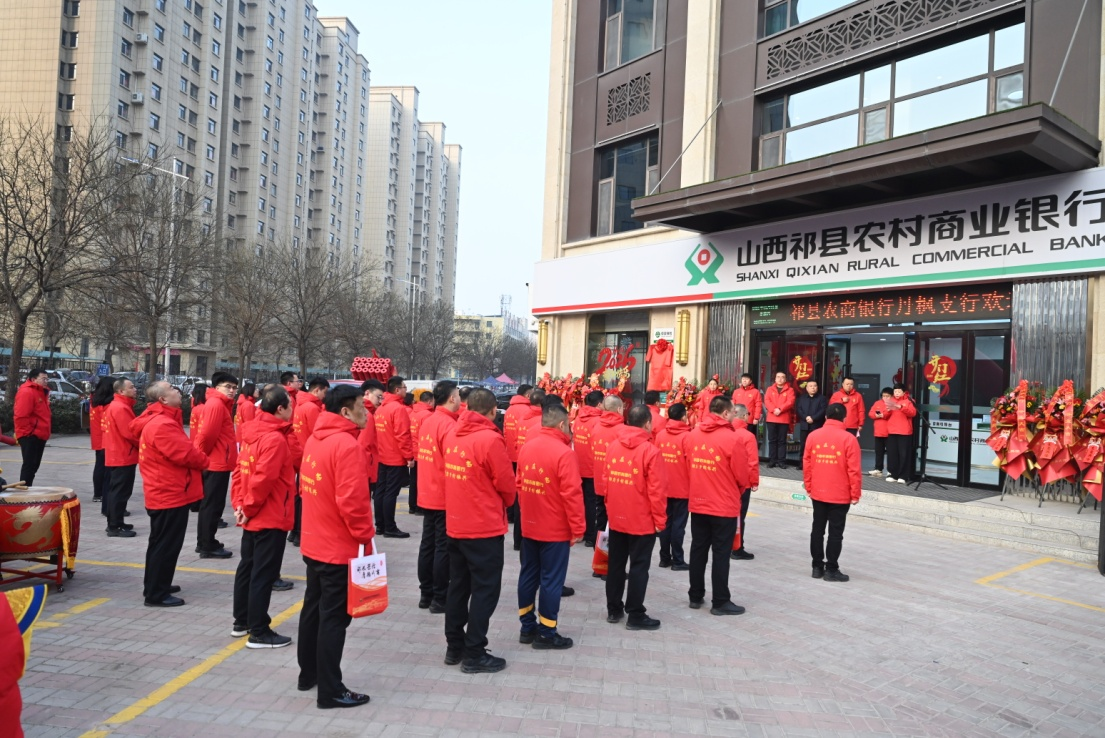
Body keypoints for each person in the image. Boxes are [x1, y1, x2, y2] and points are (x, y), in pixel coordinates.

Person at [297, 384, 374, 709]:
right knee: (333, 618)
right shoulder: (346, 445)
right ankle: (330, 690)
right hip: (336, 546)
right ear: (345, 411)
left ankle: (309, 674)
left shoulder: (317, 439)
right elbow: (353, 503)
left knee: (313, 609)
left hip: (315, 540)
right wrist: (365, 536)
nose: (366, 412)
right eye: (361, 406)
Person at [442, 388, 516, 674]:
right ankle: (474, 652)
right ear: (493, 410)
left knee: (458, 586)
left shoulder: (452, 433)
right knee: (485, 590)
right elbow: (506, 485)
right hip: (483, 526)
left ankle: (454, 646)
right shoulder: (490, 439)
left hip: (457, 523)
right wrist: (506, 504)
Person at [230, 384, 299, 649]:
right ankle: (259, 631)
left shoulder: (253, 432)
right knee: (262, 573)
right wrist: (246, 508)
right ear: (280, 409)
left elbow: (239, 472)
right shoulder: (274, 439)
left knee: (248, 567)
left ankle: (242, 621)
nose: (293, 410)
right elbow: (263, 479)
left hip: (252, 512)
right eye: (290, 405)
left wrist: (240, 505)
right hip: (267, 514)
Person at [133, 382, 210, 607]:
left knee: (161, 542)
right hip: (169, 492)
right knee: (166, 545)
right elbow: (185, 454)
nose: (177, 391)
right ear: (163, 399)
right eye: (172, 389)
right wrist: (205, 460)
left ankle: (157, 584)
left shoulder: (162, 420)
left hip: (166, 490)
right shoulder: (162, 424)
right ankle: (156, 593)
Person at [515, 401, 584, 649]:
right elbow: (572, 494)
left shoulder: (527, 447)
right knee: (551, 580)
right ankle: (546, 631)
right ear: (562, 424)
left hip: (530, 523)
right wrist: (578, 528)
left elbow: (520, 485)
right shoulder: (565, 453)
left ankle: (527, 627)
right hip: (554, 528)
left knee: (528, 575)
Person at [599, 405, 666, 630]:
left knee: (616, 564)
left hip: (617, 516)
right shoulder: (650, 451)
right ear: (647, 423)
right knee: (639, 567)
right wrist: (660, 521)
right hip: (642, 520)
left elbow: (606, 482)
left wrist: (610, 509)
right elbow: (657, 491)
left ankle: (613, 609)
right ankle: (635, 614)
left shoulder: (613, 446)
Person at [686, 395, 749, 616]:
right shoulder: (733, 439)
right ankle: (720, 601)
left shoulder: (693, 435)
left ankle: (695, 595)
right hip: (723, 505)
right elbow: (742, 476)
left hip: (699, 501)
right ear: (725, 413)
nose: (734, 416)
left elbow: (688, 466)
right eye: (733, 412)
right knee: (721, 553)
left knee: (698, 549)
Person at [803, 403, 862, 582]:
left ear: (826, 417)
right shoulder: (849, 439)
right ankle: (831, 569)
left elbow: (807, 464)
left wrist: (809, 486)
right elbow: (854, 470)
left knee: (817, 529)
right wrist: (855, 493)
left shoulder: (813, 436)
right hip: (840, 493)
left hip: (818, 491)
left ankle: (816, 567)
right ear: (845, 418)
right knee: (835, 533)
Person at [415, 380, 460, 613]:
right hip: (443, 493)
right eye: (458, 395)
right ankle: (440, 597)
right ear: (452, 398)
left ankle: (426, 594)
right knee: (442, 547)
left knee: (428, 544)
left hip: (427, 490)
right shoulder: (449, 425)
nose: (460, 399)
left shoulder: (429, 421)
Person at [193, 372, 239, 559]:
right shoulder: (216, 404)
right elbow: (207, 435)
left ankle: (205, 542)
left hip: (218, 461)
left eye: (234, 388)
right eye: (228, 386)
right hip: (215, 463)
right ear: (216, 387)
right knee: (212, 506)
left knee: (211, 505)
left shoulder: (220, 404)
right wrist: (203, 457)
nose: (232, 391)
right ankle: (207, 544)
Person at [289, 377, 329, 548]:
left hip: (303, 454)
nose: (325, 396)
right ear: (317, 390)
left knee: (299, 495)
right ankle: (300, 532)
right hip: (310, 456)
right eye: (324, 392)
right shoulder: (312, 408)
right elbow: (317, 433)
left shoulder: (300, 404)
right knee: (305, 497)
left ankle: (294, 531)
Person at [374, 375, 414, 538]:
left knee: (381, 491)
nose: (406, 390)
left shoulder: (381, 408)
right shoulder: (398, 409)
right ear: (397, 390)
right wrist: (409, 456)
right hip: (395, 457)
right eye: (404, 387)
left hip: (383, 455)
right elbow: (402, 435)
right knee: (391, 493)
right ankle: (390, 527)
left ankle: (380, 525)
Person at [103, 377, 140, 538]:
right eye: (131, 387)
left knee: (118, 491)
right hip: (123, 454)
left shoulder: (119, 405)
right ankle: (114, 526)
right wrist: (144, 444)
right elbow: (130, 433)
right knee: (120, 492)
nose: (135, 389)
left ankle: (116, 522)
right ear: (121, 391)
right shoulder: (120, 407)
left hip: (120, 453)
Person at [656, 402, 691, 570]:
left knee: (666, 523)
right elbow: (691, 463)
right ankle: (677, 560)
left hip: (663, 487)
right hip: (682, 488)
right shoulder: (687, 437)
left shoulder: (660, 435)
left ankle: (664, 558)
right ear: (683, 417)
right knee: (678, 525)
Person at [590, 394, 626, 543]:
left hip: (598, 480)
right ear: (619, 409)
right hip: (616, 482)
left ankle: (598, 549)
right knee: (616, 520)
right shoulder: (623, 430)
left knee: (600, 516)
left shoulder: (596, 427)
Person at [572, 390, 604, 547]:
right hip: (592, 466)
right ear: (599, 404)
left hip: (579, 464)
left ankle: (582, 531)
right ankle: (591, 536)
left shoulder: (579, 418)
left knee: (583, 500)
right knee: (592, 502)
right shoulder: (598, 421)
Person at [729, 403, 760, 561]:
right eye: (748, 414)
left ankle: (726, 545)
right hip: (743, 482)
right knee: (740, 516)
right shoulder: (748, 436)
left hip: (726, 481)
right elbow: (752, 462)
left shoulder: (726, 432)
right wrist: (754, 481)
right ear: (743, 416)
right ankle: (737, 548)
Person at [13, 369, 51, 486]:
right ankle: (24, 488)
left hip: (39, 434)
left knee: (34, 465)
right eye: (43, 379)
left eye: (47, 379)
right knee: (29, 465)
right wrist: (28, 433)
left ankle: (27, 487)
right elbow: (21, 415)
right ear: (34, 379)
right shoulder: (27, 392)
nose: (46, 381)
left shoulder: (41, 392)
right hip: (30, 434)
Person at [89, 377, 115, 507]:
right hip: (105, 438)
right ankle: (100, 493)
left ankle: (97, 493)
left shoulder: (95, 401)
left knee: (99, 465)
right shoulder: (106, 404)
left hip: (98, 438)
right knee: (104, 467)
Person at [408, 391, 435, 515]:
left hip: (413, 451)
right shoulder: (427, 415)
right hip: (423, 452)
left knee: (413, 480)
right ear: (429, 401)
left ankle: (412, 506)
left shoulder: (412, 413)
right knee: (422, 481)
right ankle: (419, 507)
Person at [885, 383, 917, 484]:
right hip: (892, 430)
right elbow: (885, 415)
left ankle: (903, 476)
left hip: (904, 431)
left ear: (904, 392)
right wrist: (887, 411)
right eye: (895, 391)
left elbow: (913, 413)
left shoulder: (909, 401)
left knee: (904, 454)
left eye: (899, 391)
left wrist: (901, 407)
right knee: (892, 454)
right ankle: (893, 474)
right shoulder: (891, 401)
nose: (897, 393)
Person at [357, 379, 384, 498]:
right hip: (364, 469)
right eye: (379, 397)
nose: (380, 401)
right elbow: (364, 445)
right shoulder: (367, 415)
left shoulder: (359, 410)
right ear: (367, 393)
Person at [763, 371, 795, 468]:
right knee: (772, 440)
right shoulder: (769, 389)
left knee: (782, 441)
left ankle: (781, 461)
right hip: (771, 418)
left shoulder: (790, 390)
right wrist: (774, 409)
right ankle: (772, 460)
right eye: (778, 377)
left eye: (782, 377)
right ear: (775, 379)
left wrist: (780, 409)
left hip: (783, 418)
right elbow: (767, 400)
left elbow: (790, 401)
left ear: (785, 379)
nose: (780, 379)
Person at [795, 379, 828, 468]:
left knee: (816, 445)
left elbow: (823, 410)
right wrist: (806, 417)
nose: (813, 388)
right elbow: (799, 409)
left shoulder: (822, 398)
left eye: (815, 386)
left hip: (816, 425)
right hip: (804, 425)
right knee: (803, 445)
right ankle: (802, 464)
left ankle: (814, 464)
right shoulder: (802, 398)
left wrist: (813, 418)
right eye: (811, 386)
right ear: (807, 388)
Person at [867, 388, 893, 477]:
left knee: (891, 452)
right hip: (878, 431)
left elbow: (889, 413)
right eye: (883, 396)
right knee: (878, 451)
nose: (885, 397)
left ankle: (891, 470)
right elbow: (870, 413)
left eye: (887, 396)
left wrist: (883, 415)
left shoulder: (893, 404)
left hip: (889, 432)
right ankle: (878, 468)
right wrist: (877, 415)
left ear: (891, 396)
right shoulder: (877, 403)